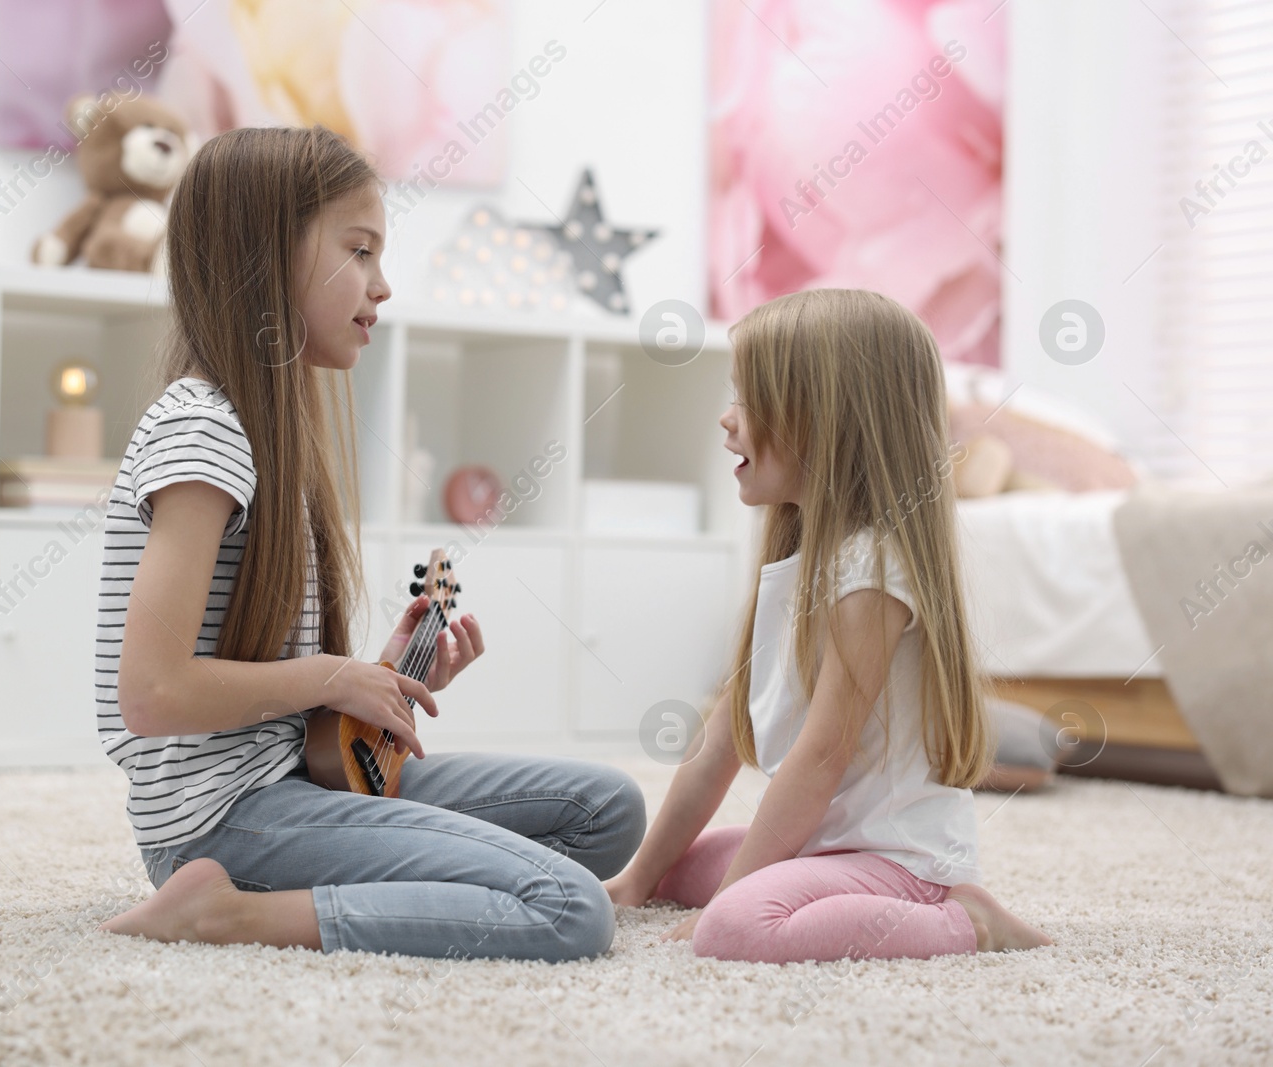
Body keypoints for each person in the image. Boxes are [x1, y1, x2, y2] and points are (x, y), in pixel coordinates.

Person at [96, 125, 644, 962]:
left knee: (606, 809)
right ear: (264, 256)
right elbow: (153, 693)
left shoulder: (265, 429)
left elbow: (262, 689)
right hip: (225, 821)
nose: (382, 287)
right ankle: (225, 910)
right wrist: (334, 676)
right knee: (568, 909)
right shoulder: (202, 430)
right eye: (359, 251)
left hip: (287, 780)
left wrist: (374, 682)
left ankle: (393, 881)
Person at [604, 288, 1052, 964]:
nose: (727, 421)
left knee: (733, 927)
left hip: (896, 858)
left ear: (828, 421)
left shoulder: (871, 570)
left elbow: (820, 757)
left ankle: (967, 919)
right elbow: (720, 740)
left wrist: (725, 904)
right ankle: (720, 881)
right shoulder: (800, 557)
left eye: (749, 402)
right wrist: (635, 882)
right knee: (672, 871)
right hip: (831, 843)